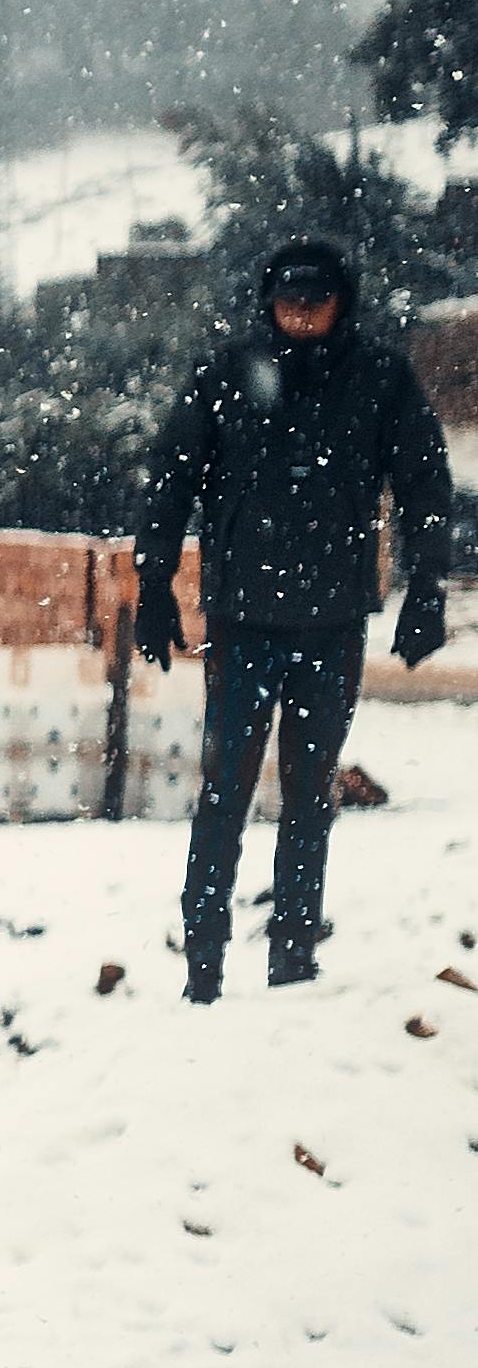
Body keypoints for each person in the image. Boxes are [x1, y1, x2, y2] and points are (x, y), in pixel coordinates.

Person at [133, 235, 453, 1000]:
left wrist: (428, 585)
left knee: (310, 794)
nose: (301, 313)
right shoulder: (227, 375)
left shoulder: (378, 378)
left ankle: (292, 960)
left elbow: (422, 478)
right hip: (242, 621)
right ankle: (203, 967)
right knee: (224, 792)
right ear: (267, 300)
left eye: (315, 299)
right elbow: (172, 477)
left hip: (332, 621)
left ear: (342, 300)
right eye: (287, 299)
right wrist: (151, 584)